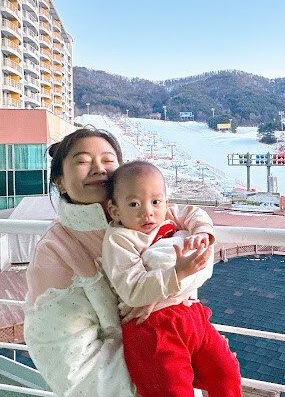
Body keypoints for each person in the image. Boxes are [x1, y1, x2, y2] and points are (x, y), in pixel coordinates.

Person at [22, 128, 232, 397]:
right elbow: (69, 363)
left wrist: (159, 296)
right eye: (83, 161)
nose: (99, 169)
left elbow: (200, 259)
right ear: (60, 182)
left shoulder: (151, 213)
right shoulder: (55, 249)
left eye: (108, 160)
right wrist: (161, 367)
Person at [102, 161, 242, 397]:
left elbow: (195, 213)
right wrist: (178, 273)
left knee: (226, 372)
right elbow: (132, 288)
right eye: (134, 204)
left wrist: (202, 232)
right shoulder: (120, 239)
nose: (148, 212)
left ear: (165, 202)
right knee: (172, 390)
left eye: (156, 201)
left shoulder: (168, 216)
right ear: (115, 211)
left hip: (192, 313)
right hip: (153, 325)